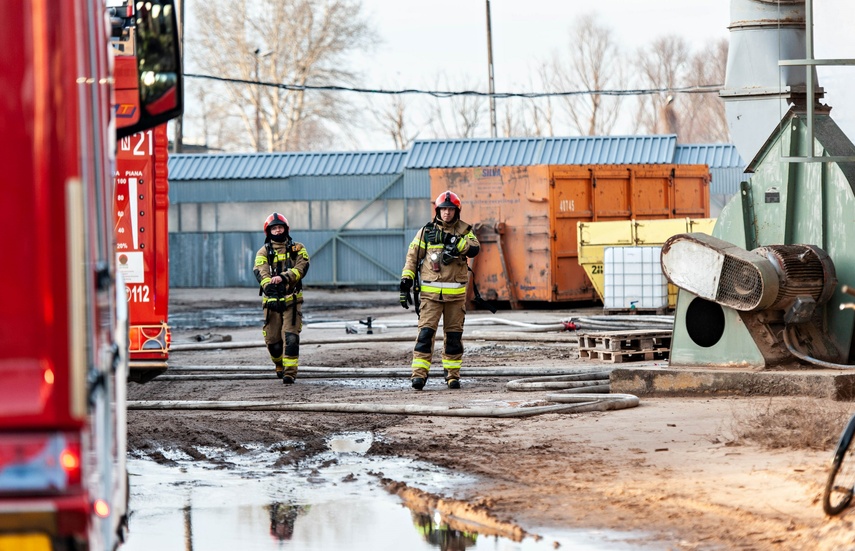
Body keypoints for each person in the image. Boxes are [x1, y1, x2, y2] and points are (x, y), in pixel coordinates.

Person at [399, 191, 480, 390]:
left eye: (450, 210)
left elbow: (474, 247)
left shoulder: (464, 230)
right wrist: (406, 280)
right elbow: (412, 258)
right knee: (425, 335)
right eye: (443, 209)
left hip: (455, 298)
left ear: (456, 211)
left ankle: (452, 376)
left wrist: (450, 240)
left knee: (453, 338)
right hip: (430, 297)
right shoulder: (426, 232)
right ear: (438, 210)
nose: (446, 213)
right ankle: (419, 375)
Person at [253, 213, 310, 384]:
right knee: (273, 341)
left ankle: (290, 373)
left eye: (280, 227)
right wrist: (268, 286)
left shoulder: (298, 248)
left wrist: (284, 277)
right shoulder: (263, 251)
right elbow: (259, 270)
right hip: (271, 302)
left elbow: (302, 267)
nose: (278, 230)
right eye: (274, 228)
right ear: (268, 231)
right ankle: (279, 364)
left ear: (286, 229)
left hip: (293, 301)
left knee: (291, 337)